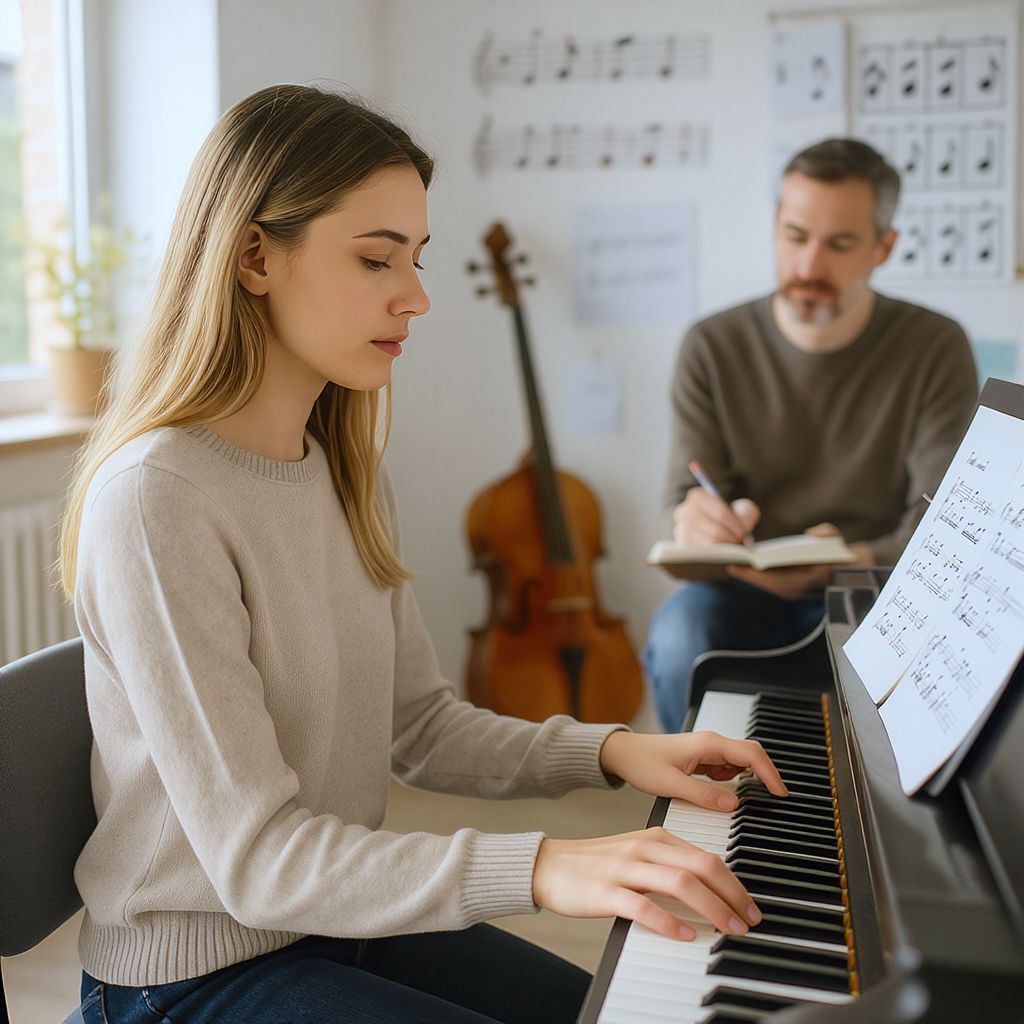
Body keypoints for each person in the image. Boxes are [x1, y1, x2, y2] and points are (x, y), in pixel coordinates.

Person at [59, 84, 787, 1024]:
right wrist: (545, 865)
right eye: (376, 259)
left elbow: (420, 726)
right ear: (252, 257)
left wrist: (614, 749)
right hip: (190, 972)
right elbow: (256, 859)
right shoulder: (158, 500)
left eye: (416, 258)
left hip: (333, 920)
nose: (417, 296)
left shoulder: (341, 468)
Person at [645, 137, 978, 734]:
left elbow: (942, 540)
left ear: (884, 246)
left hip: (878, 594)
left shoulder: (935, 346)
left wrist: (849, 563)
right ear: (775, 226)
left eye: (840, 244)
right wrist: (693, 526)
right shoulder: (712, 346)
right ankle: (702, 807)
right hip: (743, 595)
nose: (808, 267)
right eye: (795, 236)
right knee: (679, 634)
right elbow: (682, 523)